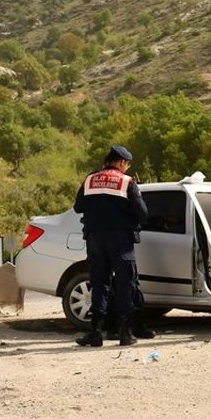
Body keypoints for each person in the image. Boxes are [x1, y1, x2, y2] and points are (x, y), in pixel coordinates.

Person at [73, 145, 148, 347]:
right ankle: (125, 333)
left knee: (99, 286)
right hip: (121, 242)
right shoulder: (126, 182)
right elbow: (143, 212)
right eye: (127, 164)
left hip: (96, 241)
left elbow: (78, 207)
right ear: (122, 162)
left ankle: (96, 333)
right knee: (125, 285)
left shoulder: (90, 180)